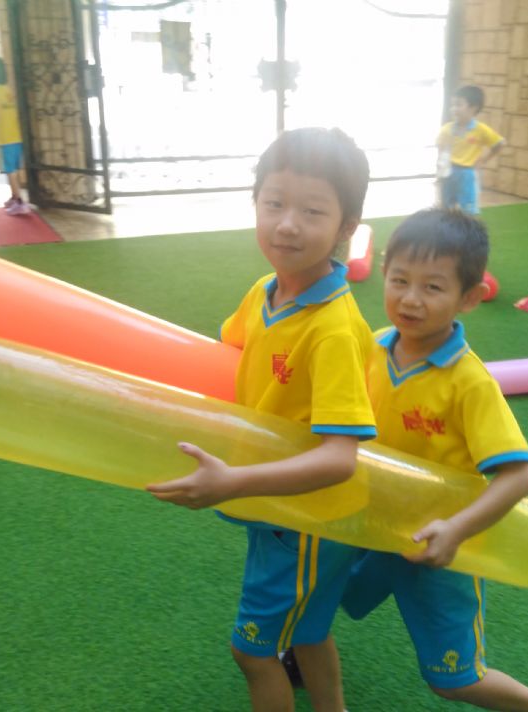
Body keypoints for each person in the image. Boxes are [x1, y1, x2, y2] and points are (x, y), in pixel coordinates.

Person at [285, 209, 528, 712]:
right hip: (365, 523)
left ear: (469, 297)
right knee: (307, 592)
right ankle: (302, 649)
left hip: (436, 546)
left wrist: (455, 531)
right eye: (400, 280)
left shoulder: (468, 383)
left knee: (453, 679)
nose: (410, 298)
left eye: (432, 287)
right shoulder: (370, 347)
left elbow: (518, 477)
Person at [147, 127, 377, 712]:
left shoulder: (331, 329)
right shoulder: (264, 293)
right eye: (274, 203)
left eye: (313, 211)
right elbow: (223, 359)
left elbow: (339, 458)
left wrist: (233, 481)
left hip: (307, 519)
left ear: (347, 226)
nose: (288, 225)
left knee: (252, 652)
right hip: (280, 510)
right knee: (307, 632)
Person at [436, 86, 506, 215]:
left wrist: (484, 160)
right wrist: (441, 171)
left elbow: (500, 143)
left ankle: (469, 227)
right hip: (449, 172)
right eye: (452, 105)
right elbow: (441, 150)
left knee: (468, 210)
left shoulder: (480, 129)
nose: (454, 109)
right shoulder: (446, 129)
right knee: (446, 208)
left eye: (459, 104)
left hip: (467, 174)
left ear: (473, 108)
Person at [0, 55, 29, 215]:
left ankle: (19, 201)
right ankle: (14, 197)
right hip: (16, 136)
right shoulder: (10, 91)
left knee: (10, 171)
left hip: (4, 138)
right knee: (15, 169)